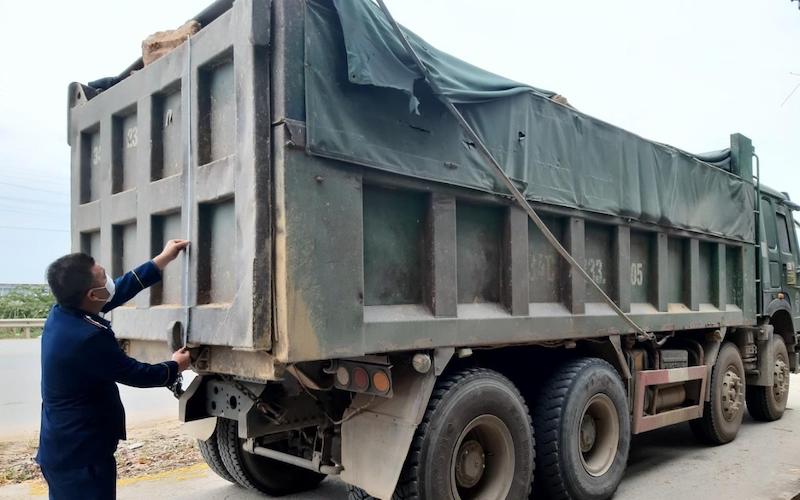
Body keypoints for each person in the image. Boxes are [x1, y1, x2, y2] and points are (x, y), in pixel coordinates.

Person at [36, 239, 192, 500]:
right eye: (103, 277)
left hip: (65, 449)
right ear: (92, 295)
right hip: (82, 457)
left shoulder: (64, 312)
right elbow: (135, 374)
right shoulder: (87, 338)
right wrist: (175, 366)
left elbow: (118, 290)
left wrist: (162, 259)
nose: (109, 280)